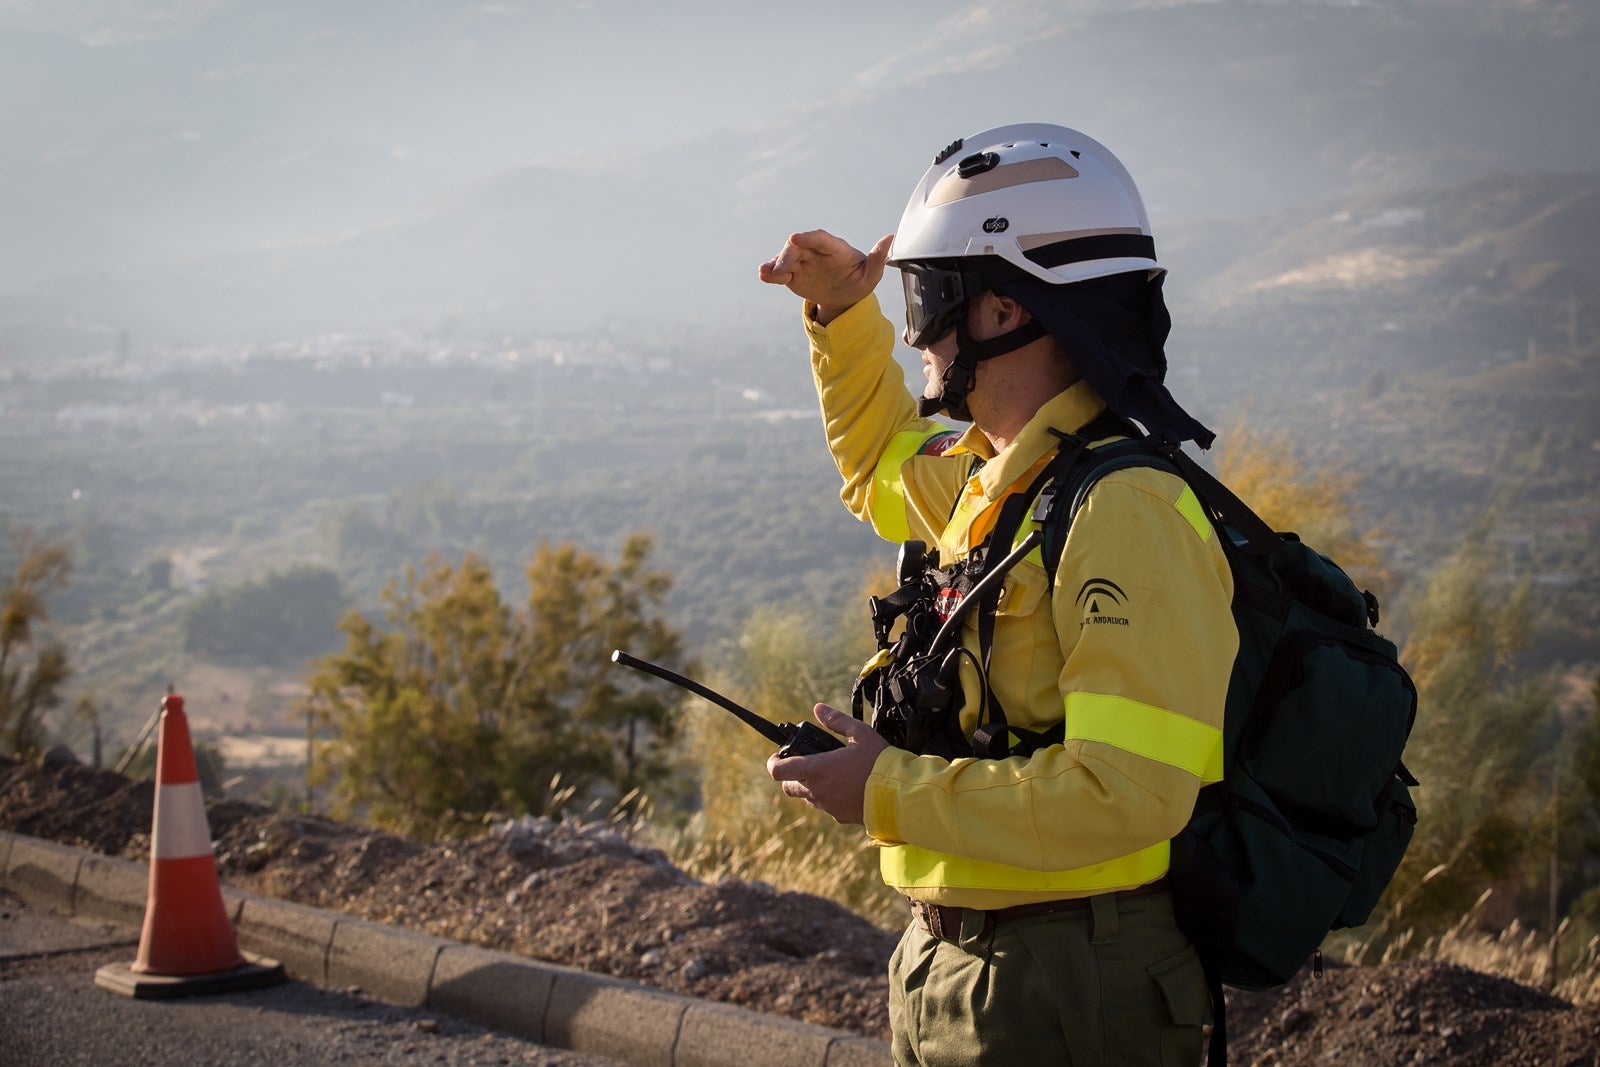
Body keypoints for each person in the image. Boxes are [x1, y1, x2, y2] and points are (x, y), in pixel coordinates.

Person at [757, 124, 1239, 1065]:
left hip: (1073, 980)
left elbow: (1127, 792)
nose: (916, 331)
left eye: (929, 297)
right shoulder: (997, 484)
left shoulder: (1124, 511)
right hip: (953, 962)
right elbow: (877, 471)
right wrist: (843, 315)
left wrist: (884, 788)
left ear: (1006, 310)